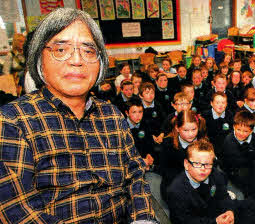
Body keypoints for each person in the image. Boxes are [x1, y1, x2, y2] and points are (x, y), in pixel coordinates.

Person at [0, 8, 156, 223]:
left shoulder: (111, 114)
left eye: (88, 51)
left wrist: (143, 218)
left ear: (100, 63)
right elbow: (17, 210)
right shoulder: (12, 121)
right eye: (61, 49)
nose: (76, 60)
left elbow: (135, 175)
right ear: (39, 60)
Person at [167, 139, 255, 224]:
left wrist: (229, 211)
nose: (203, 169)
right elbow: (185, 221)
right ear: (186, 164)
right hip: (199, 220)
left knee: (250, 204)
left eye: (207, 164)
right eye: (197, 163)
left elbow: (223, 196)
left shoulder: (215, 174)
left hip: (215, 211)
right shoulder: (176, 190)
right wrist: (215, 222)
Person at [159, 110, 206, 201]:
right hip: (176, 183)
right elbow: (167, 173)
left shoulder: (202, 139)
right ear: (177, 128)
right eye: (185, 130)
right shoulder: (168, 144)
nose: (190, 134)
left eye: (194, 129)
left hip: (199, 180)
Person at [222, 110, 255, 197]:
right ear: (234, 127)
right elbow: (236, 162)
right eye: (238, 129)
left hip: (250, 163)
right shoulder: (229, 140)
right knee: (245, 177)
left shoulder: (254, 137)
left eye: (245, 131)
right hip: (234, 169)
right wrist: (251, 155)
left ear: (251, 131)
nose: (241, 133)